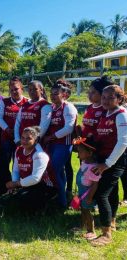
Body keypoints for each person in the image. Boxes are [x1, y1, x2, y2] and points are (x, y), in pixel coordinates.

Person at [90, 85, 127, 246]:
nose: (105, 100)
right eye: (104, 97)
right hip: (104, 158)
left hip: (114, 160)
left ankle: (106, 233)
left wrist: (107, 164)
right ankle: (111, 221)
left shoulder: (121, 115)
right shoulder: (106, 114)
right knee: (111, 193)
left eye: (110, 97)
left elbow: (123, 143)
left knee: (102, 194)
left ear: (119, 99)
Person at [5, 126, 56, 212]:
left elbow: (35, 178)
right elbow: (16, 170)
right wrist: (13, 185)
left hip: (45, 186)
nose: (24, 141)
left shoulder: (40, 155)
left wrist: (16, 184)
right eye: (22, 138)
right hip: (27, 184)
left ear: (36, 141)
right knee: (12, 198)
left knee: (24, 200)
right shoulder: (19, 150)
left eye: (28, 139)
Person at [44, 80, 78, 208]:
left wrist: (51, 137)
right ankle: (61, 199)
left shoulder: (68, 107)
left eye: (56, 94)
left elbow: (68, 128)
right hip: (52, 144)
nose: (53, 96)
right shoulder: (51, 108)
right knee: (59, 172)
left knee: (54, 170)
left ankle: (62, 203)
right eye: (51, 94)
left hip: (63, 144)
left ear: (64, 94)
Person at [0, 76, 27, 181]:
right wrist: (8, 129)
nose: (14, 91)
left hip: (23, 139)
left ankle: (17, 185)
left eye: (16, 89)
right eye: (11, 90)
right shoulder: (4, 102)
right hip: (7, 137)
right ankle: (5, 185)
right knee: (4, 162)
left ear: (21, 88)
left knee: (19, 163)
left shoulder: (27, 102)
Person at [72, 137, 101, 241]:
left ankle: (91, 231)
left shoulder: (93, 168)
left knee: (87, 212)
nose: (78, 154)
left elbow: (94, 184)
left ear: (89, 153)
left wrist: (90, 197)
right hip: (82, 193)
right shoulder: (85, 163)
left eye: (80, 151)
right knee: (83, 210)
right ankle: (83, 227)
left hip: (87, 194)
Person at [14, 80, 52, 145]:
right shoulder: (24, 105)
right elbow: (17, 123)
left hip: (35, 143)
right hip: (22, 142)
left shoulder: (45, 105)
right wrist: (17, 139)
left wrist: (33, 140)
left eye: (35, 89)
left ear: (41, 90)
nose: (32, 92)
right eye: (30, 89)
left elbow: (43, 126)